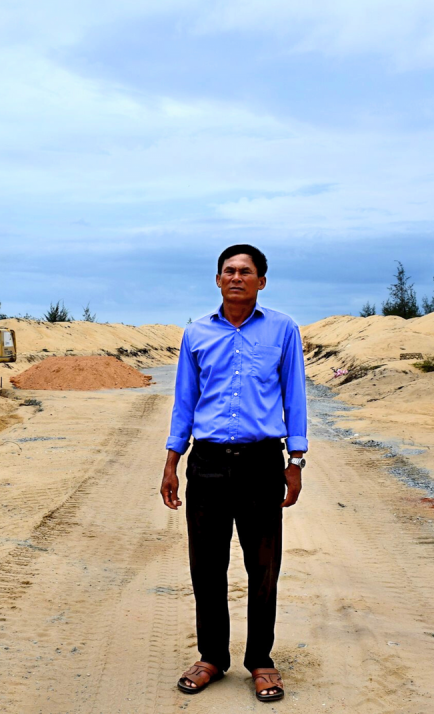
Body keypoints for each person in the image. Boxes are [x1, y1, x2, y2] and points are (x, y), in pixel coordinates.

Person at [160, 243, 307, 703]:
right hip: (207, 465)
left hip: (262, 463)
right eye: (229, 271)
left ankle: (261, 661)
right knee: (206, 567)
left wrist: (296, 460)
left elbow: (294, 395)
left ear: (261, 281)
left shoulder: (283, 330)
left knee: (263, 568)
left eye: (246, 271)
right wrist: (172, 459)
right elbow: (185, 400)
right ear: (218, 280)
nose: (237, 277)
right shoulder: (197, 334)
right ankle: (211, 657)